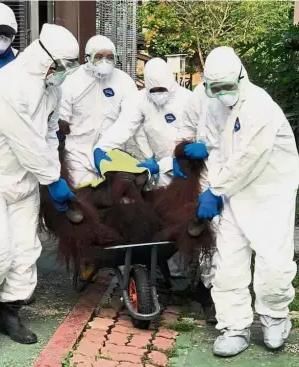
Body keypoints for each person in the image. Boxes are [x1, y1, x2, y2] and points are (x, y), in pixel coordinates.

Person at [0, 23, 79, 348]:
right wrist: (53, 180)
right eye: (62, 67)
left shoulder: (53, 88)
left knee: (25, 250)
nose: (63, 73)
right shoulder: (9, 84)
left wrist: (52, 171)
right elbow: (24, 139)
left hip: (23, 175)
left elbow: (49, 134)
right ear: (44, 59)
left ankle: (10, 313)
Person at [195, 46, 299, 357]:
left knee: (273, 262)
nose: (223, 93)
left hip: (270, 194)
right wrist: (209, 188)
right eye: (216, 88)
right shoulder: (212, 107)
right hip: (232, 195)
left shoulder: (260, 106)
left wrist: (216, 189)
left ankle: (274, 317)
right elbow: (213, 151)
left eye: (228, 86)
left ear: (242, 77)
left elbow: (249, 158)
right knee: (227, 263)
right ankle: (234, 325)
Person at [93, 57, 193, 188]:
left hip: (189, 166)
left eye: (162, 90)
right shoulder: (140, 100)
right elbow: (123, 126)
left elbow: (194, 139)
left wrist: (172, 162)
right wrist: (101, 147)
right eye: (154, 91)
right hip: (160, 168)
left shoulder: (188, 100)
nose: (158, 95)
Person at [56, 35, 138, 188]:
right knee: (81, 203)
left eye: (109, 57)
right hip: (77, 156)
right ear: (88, 57)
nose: (104, 61)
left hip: (112, 155)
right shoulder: (71, 80)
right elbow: (61, 119)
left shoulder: (125, 82)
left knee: (113, 206)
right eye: (98, 57)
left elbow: (130, 120)